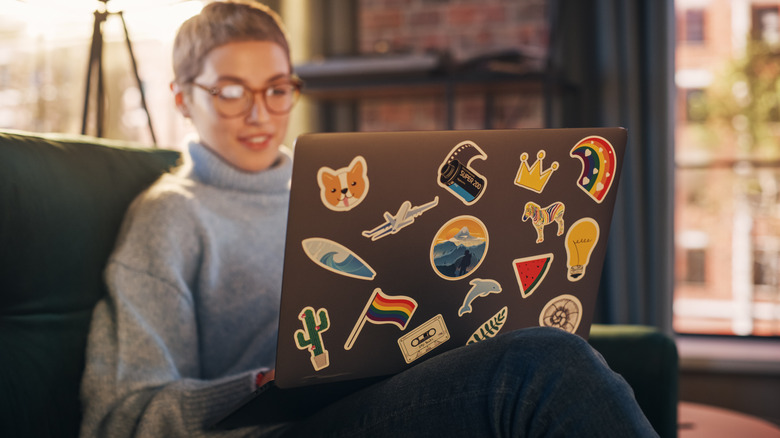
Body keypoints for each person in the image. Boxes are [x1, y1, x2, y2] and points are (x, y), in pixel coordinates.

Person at [79, 1, 659, 437]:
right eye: (232, 91)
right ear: (183, 98)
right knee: (542, 366)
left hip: (378, 394)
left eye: (278, 89)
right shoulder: (169, 217)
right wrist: (255, 385)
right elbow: (120, 414)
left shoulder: (339, 197)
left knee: (546, 348)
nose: (260, 113)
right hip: (274, 429)